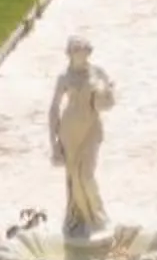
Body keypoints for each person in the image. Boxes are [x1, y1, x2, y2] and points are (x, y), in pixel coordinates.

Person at [45, 36, 114, 237]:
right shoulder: (64, 78)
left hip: (91, 127)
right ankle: (80, 219)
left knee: (86, 175)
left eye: (85, 52)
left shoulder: (98, 72)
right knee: (74, 176)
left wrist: (105, 91)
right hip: (69, 130)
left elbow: (108, 104)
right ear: (70, 54)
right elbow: (54, 109)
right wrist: (54, 144)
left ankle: (98, 217)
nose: (83, 57)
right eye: (78, 52)